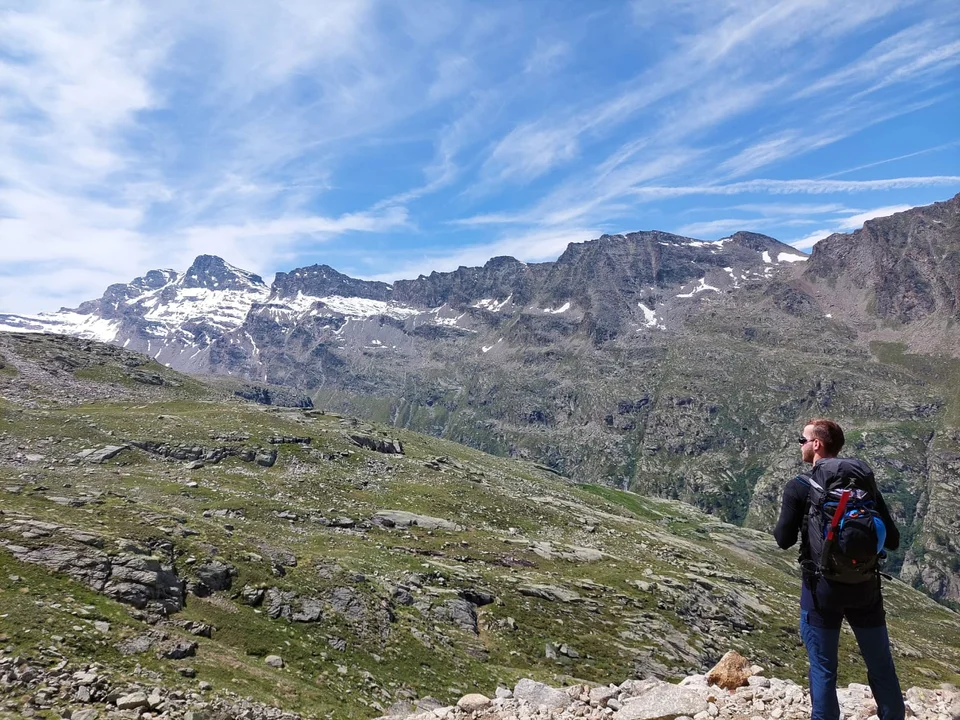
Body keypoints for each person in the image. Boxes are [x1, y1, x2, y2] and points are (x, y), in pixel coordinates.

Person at [774, 418, 905, 720]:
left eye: (802, 440)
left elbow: (783, 540)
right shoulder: (863, 483)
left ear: (817, 444)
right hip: (865, 588)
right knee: (881, 665)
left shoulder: (800, 486)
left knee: (823, 669)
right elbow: (894, 540)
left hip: (822, 591)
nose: (800, 445)